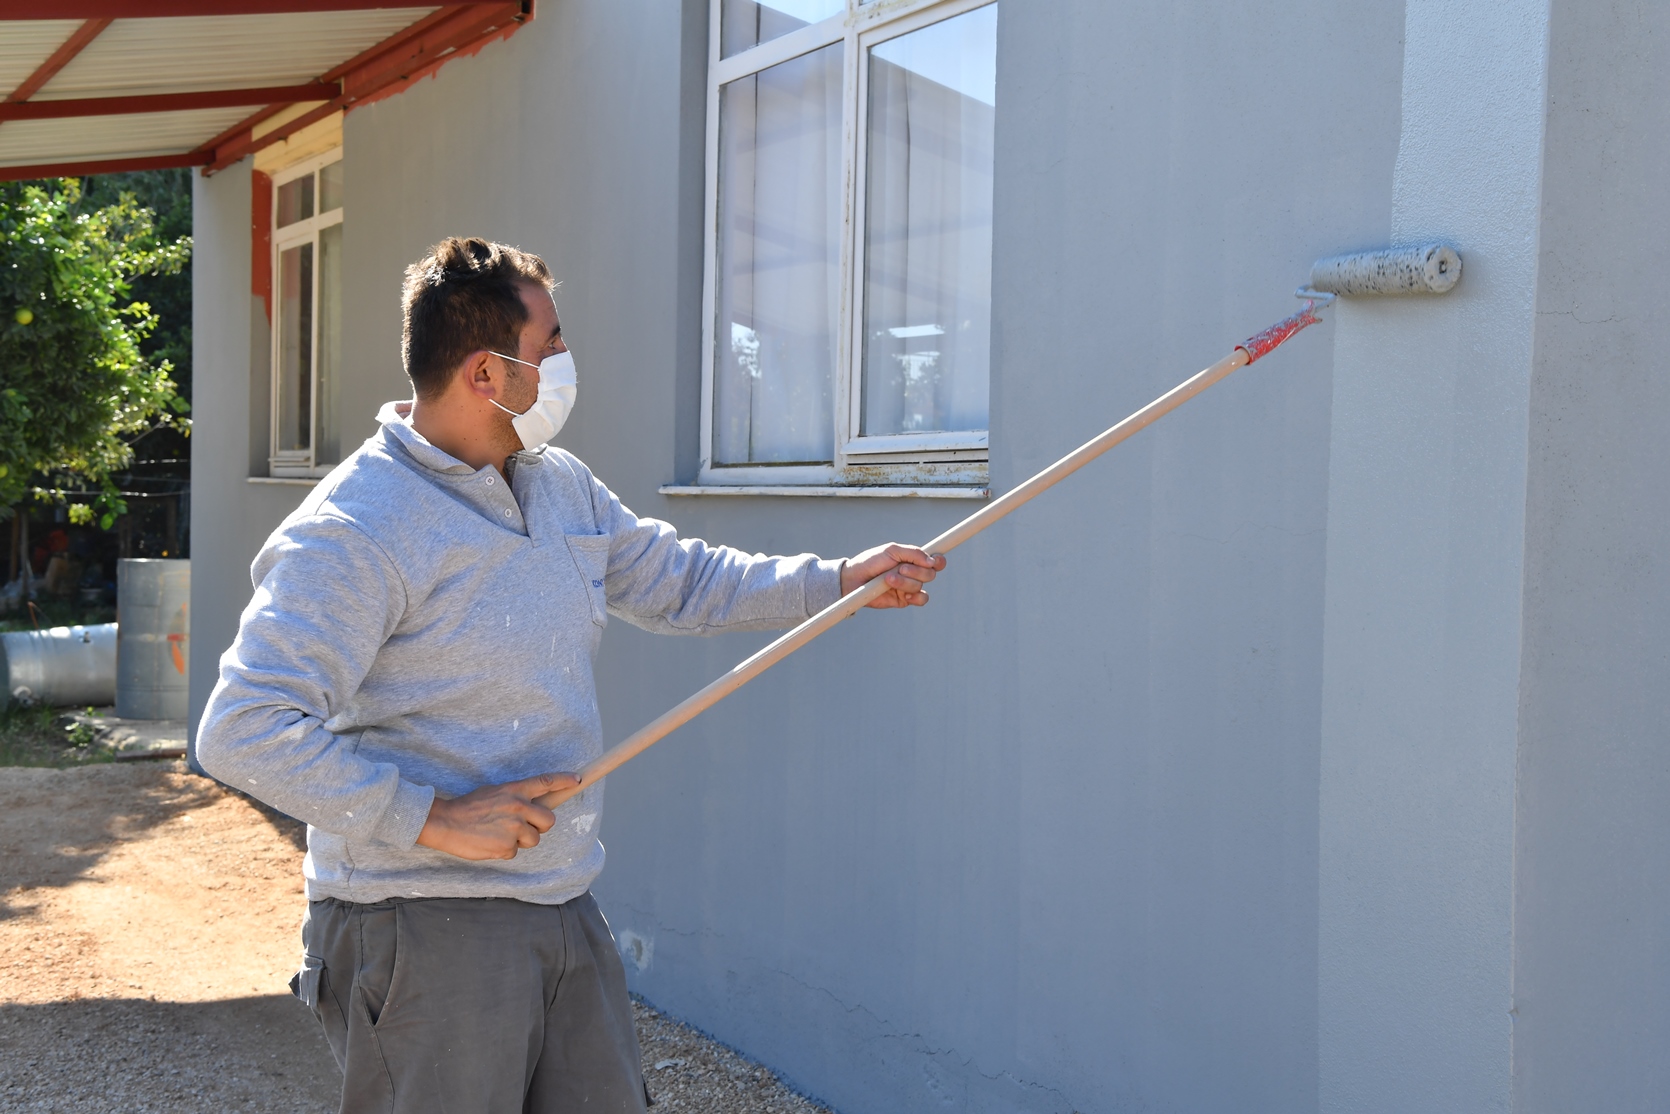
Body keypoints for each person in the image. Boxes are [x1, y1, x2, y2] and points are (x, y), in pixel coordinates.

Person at [194, 237, 943, 1114]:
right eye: (550, 342)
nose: (563, 359)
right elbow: (243, 727)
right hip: (419, 927)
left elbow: (682, 580)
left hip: (561, 900)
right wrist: (431, 818)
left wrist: (837, 582)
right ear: (485, 372)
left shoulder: (556, 484)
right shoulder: (357, 528)